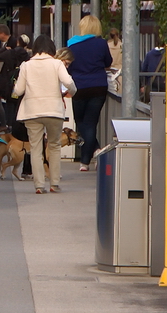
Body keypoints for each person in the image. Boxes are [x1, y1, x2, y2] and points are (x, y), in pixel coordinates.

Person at [13, 35, 76, 193]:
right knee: (54, 146)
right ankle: (54, 183)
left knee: (35, 148)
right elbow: (68, 82)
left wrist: (14, 92)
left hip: (32, 111)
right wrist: (73, 92)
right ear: (52, 50)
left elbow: (19, 90)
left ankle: (39, 185)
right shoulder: (56, 64)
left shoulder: (26, 65)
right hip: (53, 111)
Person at [66, 14, 113, 171]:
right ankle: (90, 157)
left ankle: (89, 156)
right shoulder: (101, 44)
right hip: (98, 86)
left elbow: (69, 67)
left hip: (79, 86)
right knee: (91, 122)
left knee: (81, 122)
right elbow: (108, 62)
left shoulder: (72, 45)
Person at [0, 28, 30, 131]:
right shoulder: (27, 55)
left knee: (9, 103)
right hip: (22, 80)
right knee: (19, 104)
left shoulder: (10, 53)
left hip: (10, 81)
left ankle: (9, 125)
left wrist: (5, 48)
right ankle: (18, 125)